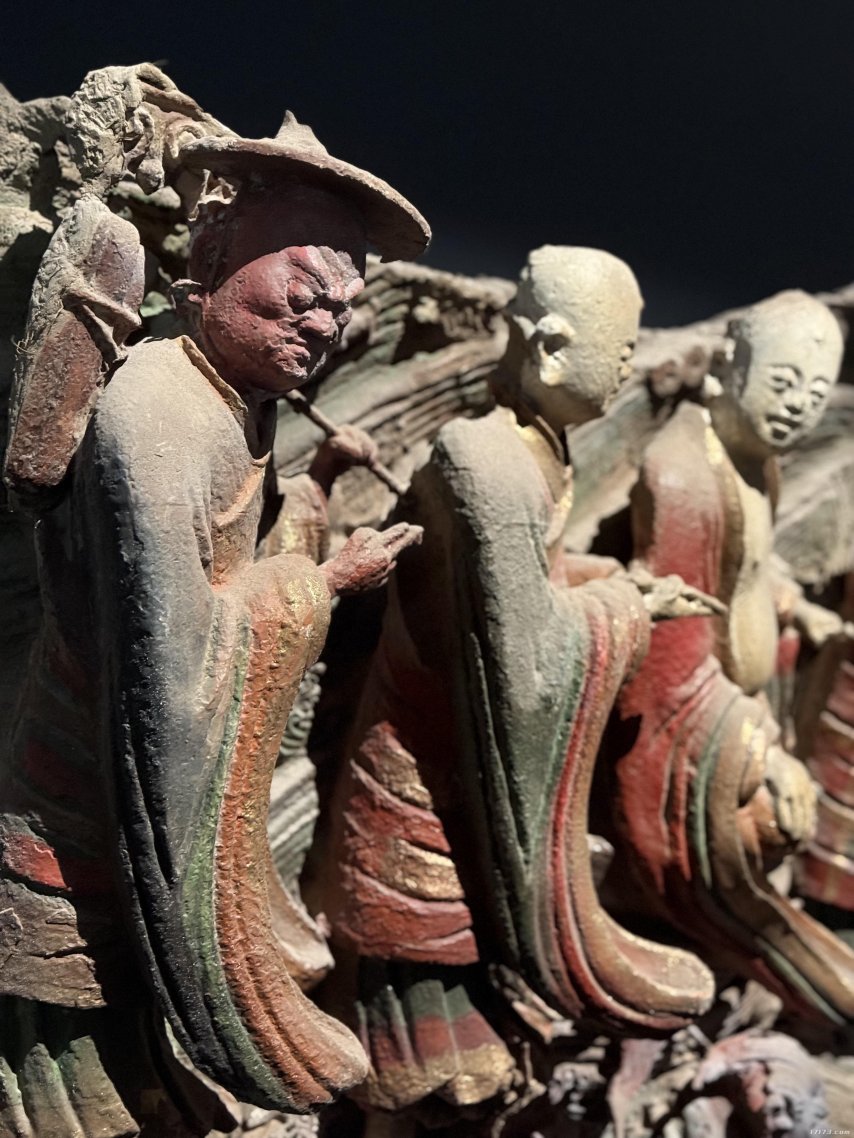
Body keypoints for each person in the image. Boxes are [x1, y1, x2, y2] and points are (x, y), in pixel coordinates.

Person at [0, 111, 429, 1125]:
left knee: (127, 1048)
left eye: (341, 309)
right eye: (303, 295)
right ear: (213, 259)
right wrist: (326, 585)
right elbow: (176, 649)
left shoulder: (231, 398)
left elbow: (235, 557)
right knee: (72, 1059)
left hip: (120, 759)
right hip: (90, 774)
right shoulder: (157, 413)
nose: (322, 327)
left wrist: (315, 485)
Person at [319, 247, 718, 1113]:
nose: (628, 368)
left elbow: (529, 582)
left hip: (463, 762)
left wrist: (619, 586)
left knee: (477, 1034)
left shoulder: (537, 448)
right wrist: (623, 606)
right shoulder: (487, 463)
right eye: (620, 351)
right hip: (424, 774)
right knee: (424, 1054)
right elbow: (527, 662)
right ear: (552, 349)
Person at [611, 290, 854, 1026]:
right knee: (766, 830)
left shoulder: (757, 461)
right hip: (686, 732)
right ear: (726, 368)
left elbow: (747, 566)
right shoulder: (684, 479)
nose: (798, 406)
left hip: (738, 707)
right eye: (782, 382)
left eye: (815, 392)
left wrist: (791, 602)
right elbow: (672, 661)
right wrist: (759, 755)